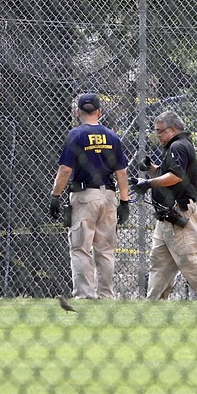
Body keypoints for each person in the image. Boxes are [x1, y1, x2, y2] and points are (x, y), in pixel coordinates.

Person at [130, 111, 197, 300]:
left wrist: (147, 184)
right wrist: (150, 169)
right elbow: (167, 176)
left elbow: (175, 177)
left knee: (190, 260)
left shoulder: (178, 146)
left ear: (172, 130)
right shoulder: (174, 147)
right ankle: (154, 304)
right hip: (165, 217)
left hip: (177, 214)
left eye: (160, 131)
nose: (157, 135)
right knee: (159, 263)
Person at [49, 93, 130, 299]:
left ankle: (85, 295)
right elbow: (121, 173)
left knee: (81, 248)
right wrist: (124, 201)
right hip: (109, 195)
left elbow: (65, 169)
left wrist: (55, 196)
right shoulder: (112, 136)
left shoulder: (76, 135)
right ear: (99, 112)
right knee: (105, 249)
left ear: (78, 112)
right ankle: (106, 295)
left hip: (85, 195)